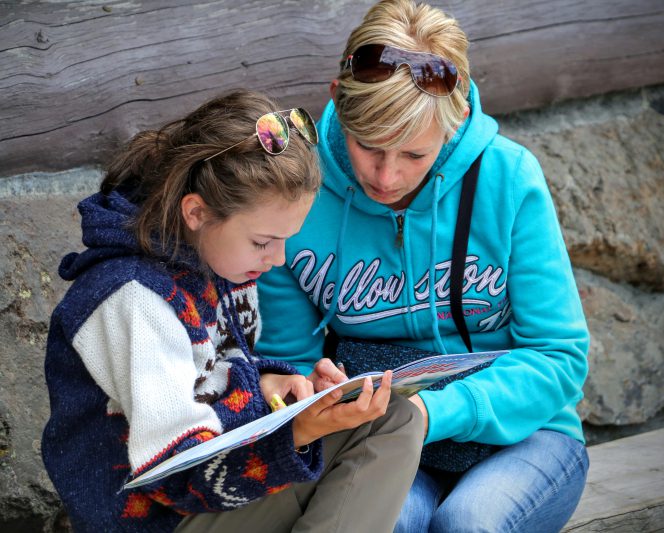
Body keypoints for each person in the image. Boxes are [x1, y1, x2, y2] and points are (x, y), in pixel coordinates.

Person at [255, 1, 591, 531]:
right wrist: (307, 392)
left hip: (528, 434)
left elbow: (559, 358)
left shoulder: (510, 179)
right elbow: (285, 361)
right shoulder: (299, 191)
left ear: (454, 119)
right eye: (368, 147)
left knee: (468, 523)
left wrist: (432, 413)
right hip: (378, 439)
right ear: (338, 100)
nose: (387, 177)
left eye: (413, 155)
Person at [41, 89, 423, 532]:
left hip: (210, 502)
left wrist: (273, 387)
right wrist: (298, 433)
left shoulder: (223, 264)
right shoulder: (132, 300)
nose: (278, 259)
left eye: (286, 240)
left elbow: (212, 380)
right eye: (264, 241)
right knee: (383, 426)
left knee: (392, 415)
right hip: (162, 520)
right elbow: (177, 474)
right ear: (196, 212)